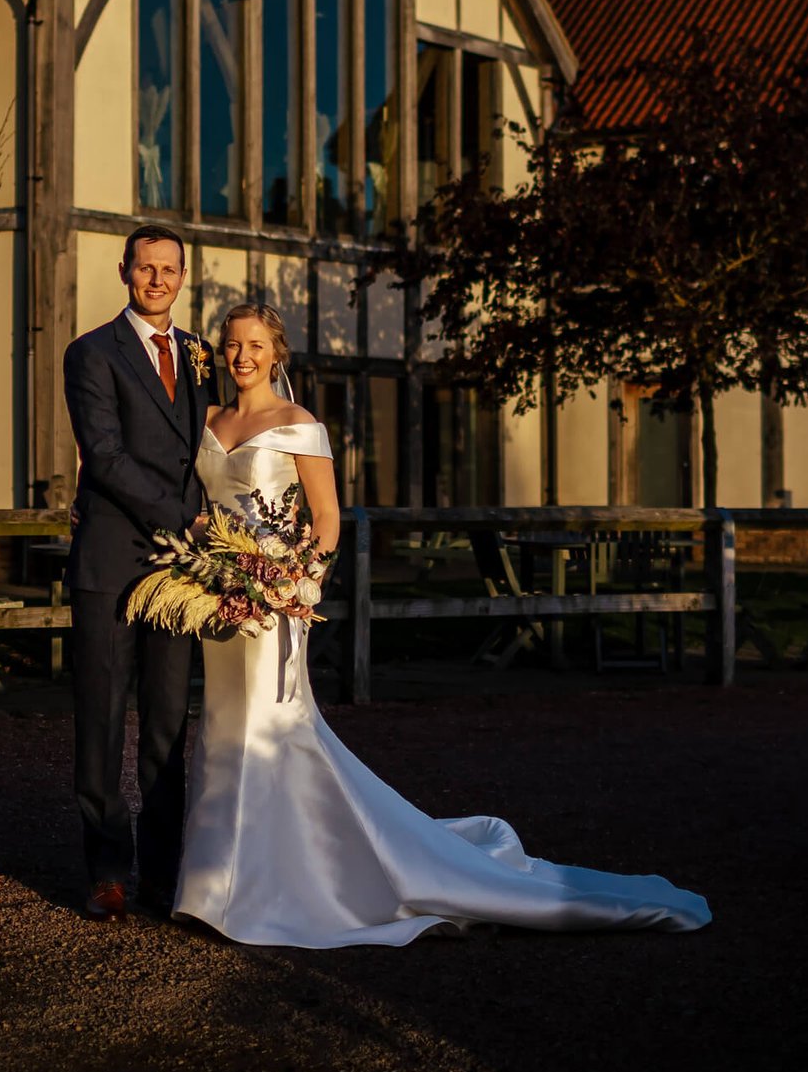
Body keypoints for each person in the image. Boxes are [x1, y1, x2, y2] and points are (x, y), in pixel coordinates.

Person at [175, 302, 712, 945]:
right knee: (221, 729)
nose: (242, 356)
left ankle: (274, 887)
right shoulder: (204, 420)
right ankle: (215, 885)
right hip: (216, 599)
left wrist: (295, 581)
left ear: (276, 352)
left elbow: (327, 523)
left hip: (276, 603)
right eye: (233, 344)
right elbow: (195, 505)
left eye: (256, 344)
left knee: (272, 727)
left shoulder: (300, 424)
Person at [60, 225, 210, 921]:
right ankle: (108, 873)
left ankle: (164, 874)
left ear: (184, 275)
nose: (157, 279)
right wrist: (184, 521)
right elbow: (106, 454)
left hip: (179, 578)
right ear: (125, 271)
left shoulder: (203, 357)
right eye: (145, 267)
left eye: (169, 268)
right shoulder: (90, 353)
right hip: (112, 566)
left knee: (166, 729)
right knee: (99, 721)